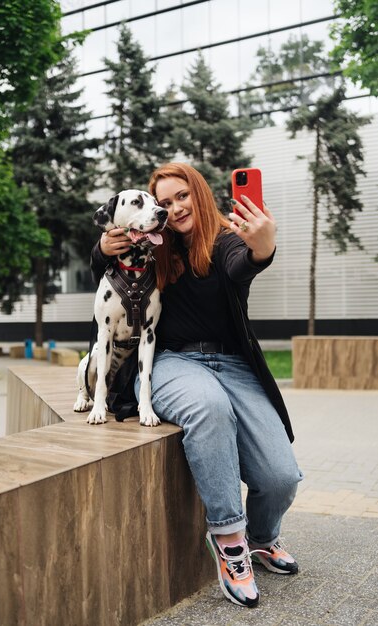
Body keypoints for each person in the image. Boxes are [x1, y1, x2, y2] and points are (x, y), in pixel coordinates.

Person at [91, 163, 303, 609]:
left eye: (182, 196)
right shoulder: (153, 245)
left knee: (281, 477)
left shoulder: (226, 239)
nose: (173, 208)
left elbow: (242, 263)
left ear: (199, 194)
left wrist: (262, 248)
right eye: (164, 202)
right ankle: (230, 542)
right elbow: (110, 268)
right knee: (208, 409)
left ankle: (263, 538)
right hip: (174, 362)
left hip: (233, 363)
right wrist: (105, 244)